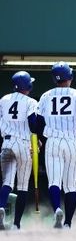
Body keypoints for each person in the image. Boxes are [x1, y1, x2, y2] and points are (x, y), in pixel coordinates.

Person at [37, 62, 76, 229]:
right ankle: (68, 223)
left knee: (54, 181)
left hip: (52, 141)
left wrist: (38, 137)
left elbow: (38, 121)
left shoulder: (46, 95)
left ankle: (57, 210)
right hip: (71, 142)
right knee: (70, 185)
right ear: (70, 77)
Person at [0, 72, 38, 230]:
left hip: (7, 142)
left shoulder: (3, 99)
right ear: (27, 86)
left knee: (7, 182)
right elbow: (32, 123)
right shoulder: (31, 101)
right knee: (22, 185)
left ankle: (1, 206)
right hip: (23, 143)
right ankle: (16, 224)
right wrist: (36, 139)